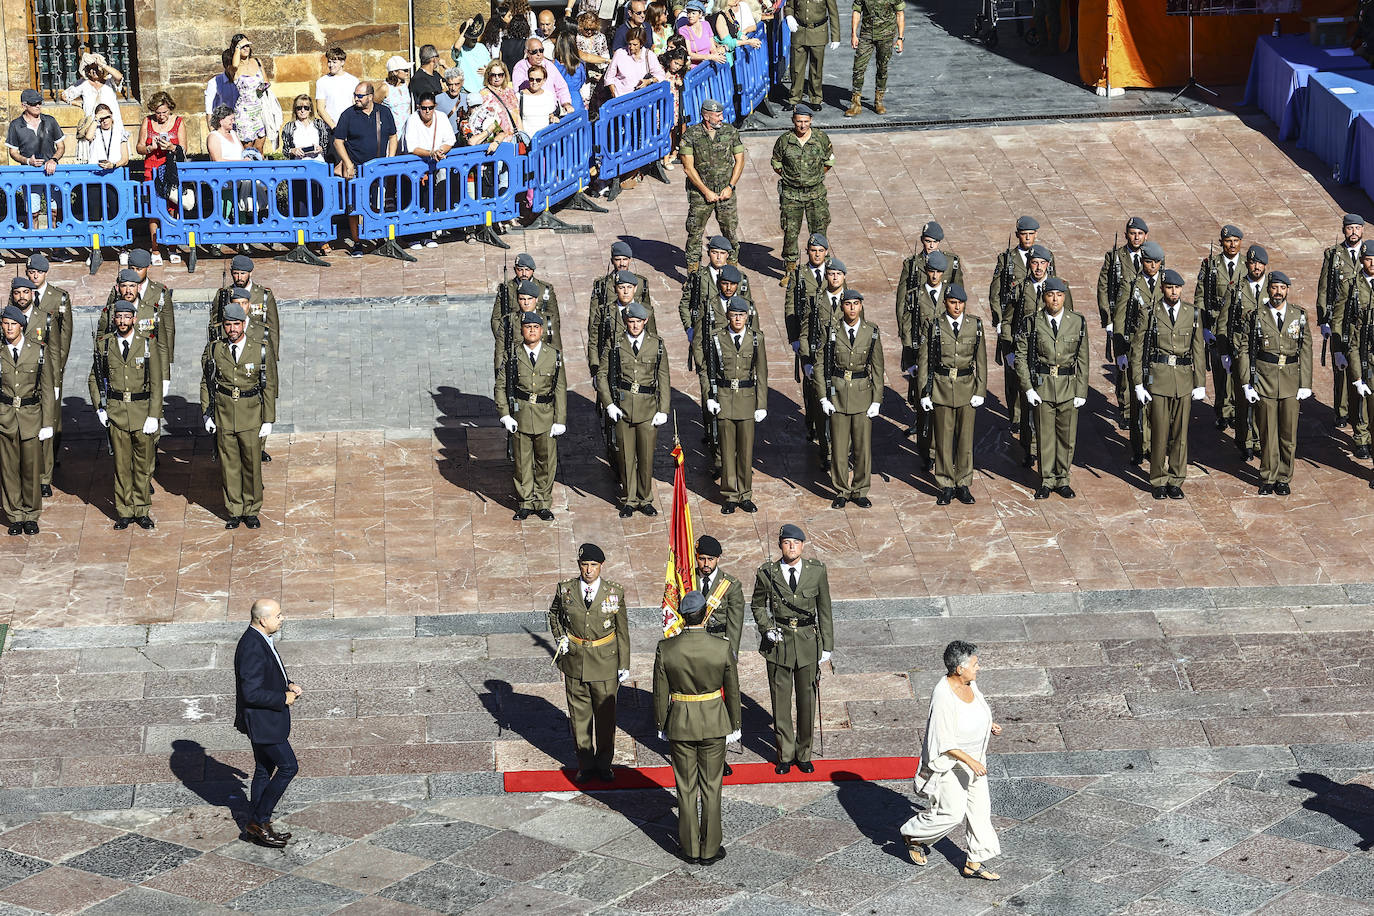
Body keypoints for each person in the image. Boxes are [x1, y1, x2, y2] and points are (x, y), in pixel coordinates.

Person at [901, 641, 1003, 881]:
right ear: (959, 668)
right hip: (953, 764)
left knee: (980, 810)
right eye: (975, 664)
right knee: (952, 814)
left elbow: (977, 710)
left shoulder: (970, 683)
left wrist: (989, 724)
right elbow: (943, 741)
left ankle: (974, 861)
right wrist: (971, 761)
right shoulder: (943, 696)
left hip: (975, 759)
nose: (979, 668)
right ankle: (913, 836)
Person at [653, 589, 741, 866]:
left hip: (680, 721)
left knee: (686, 786)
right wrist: (735, 724)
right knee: (712, 786)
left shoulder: (666, 648)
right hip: (715, 720)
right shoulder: (721, 646)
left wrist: (660, 723)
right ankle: (711, 848)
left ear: (682, 615)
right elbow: (733, 690)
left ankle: (690, 848)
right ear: (705, 614)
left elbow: (659, 692)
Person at [750, 524, 833, 774]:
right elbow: (757, 605)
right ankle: (785, 754)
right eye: (787, 543)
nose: (791, 547)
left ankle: (804, 752)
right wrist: (766, 628)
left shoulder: (816, 572)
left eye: (796, 543)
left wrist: (827, 645)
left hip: (808, 642)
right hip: (779, 644)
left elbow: (824, 609)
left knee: (807, 701)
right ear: (780, 546)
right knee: (781, 702)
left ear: (803, 545)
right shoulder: (767, 572)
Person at [548, 543, 629, 782]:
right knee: (579, 717)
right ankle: (585, 763)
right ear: (579, 566)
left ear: (601, 566)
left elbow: (622, 630)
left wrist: (624, 663)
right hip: (575, 662)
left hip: (604, 663)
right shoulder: (566, 590)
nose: (589, 570)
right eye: (584, 565)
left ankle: (604, 764)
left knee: (605, 719)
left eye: (593, 565)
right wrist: (560, 636)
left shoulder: (614, 592)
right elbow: (554, 614)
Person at [200, 300, 278, 529]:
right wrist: (207, 413)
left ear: (244, 324)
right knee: (229, 465)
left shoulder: (260, 349)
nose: (232, 329)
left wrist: (268, 419)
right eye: (227, 325)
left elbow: (269, 386)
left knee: (251, 465)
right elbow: (206, 382)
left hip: (251, 414)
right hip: (224, 414)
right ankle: (234, 509)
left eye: (236, 324)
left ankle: (252, 509)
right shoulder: (215, 349)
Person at [1130, 269, 1204, 500]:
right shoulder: (1150, 313)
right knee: (1160, 432)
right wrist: (1138, 383)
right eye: (1170, 287)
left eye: (1177, 288)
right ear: (1162, 288)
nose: (1174, 291)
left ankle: (1176, 479)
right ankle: (1158, 479)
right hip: (1158, 379)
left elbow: (1198, 349)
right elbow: (1138, 349)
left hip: (1183, 379)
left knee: (1180, 434)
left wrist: (1200, 382)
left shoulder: (1192, 314)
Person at [88, 298, 163, 530]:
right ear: (114, 319)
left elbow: (157, 383)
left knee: (143, 465)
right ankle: (124, 511)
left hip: (142, 413)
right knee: (121, 466)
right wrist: (99, 407)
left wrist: (154, 414)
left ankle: (141, 510)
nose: (122, 321)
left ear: (134, 319)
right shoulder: (104, 345)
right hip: (117, 413)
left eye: (126, 317)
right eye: (118, 317)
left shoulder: (148, 343)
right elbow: (94, 378)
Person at [233, 598, 302, 849]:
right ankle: (258, 822)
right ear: (263, 620)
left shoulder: (259, 639)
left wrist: (288, 684)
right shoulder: (251, 646)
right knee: (288, 767)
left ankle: (258, 825)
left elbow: (268, 673)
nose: (282, 618)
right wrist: (283, 698)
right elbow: (251, 692)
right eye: (278, 615)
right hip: (265, 722)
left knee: (264, 769)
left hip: (264, 722)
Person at [1238, 272, 1312, 496]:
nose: (1278, 292)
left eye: (1282, 288)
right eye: (1274, 288)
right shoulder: (1255, 316)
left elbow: (1306, 349)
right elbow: (1244, 349)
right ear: (1268, 290)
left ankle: (1284, 477)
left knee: (1288, 434)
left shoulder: (1298, 315)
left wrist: (1305, 383)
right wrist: (1246, 382)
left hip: (1290, 380)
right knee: (1267, 433)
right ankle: (1267, 477)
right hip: (1265, 379)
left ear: (1287, 290)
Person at [596, 300, 671, 516]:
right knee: (626, 457)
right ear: (625, 322)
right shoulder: (616, 344)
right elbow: (602, 375)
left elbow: (663, 377)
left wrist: (663, 409)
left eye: (639, 321)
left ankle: (645, 498)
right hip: (623, 407)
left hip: (648, 408)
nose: (635, 325)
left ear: (646, 321)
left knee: (646, 457)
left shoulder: (656, 344)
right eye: (631, 321)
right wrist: (609, 403)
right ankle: (629, 499)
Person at [1017, 277, 1088, 499]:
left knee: (1067, 437)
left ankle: (1063, 478)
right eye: (1050, 295)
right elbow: (1021, 357)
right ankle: (1047, 479)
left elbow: (1083, 358)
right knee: (1045, 436)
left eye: (1059, 295)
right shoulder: (1032, 322)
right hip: (1043, 386)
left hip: (1068, 386)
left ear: (1065, 297)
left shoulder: (1077, 321)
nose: (1055, 299)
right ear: (1044, 297)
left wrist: (1081, 391)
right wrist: (1028, 388)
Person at [918, 285, 987, 506]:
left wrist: (980, 390)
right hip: (941, 388)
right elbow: (925, 361)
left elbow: (981, 361)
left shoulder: (974, 325)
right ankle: (946, 484)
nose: (957, 307)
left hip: (967, 388)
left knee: (965, 440)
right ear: (945, 303)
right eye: (952, 302)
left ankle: (963, 482)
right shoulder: (935, 325)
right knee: (944, 441)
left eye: (960, 302)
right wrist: (924, 393)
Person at [497, 311, 568, 520]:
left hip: (546, 416)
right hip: (521, 415)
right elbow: (501, 385)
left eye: (535, 328)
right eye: (528, 327)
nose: (531, 331)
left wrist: (560, 419)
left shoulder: (553, 355)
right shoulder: (513, 355)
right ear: (522, 330)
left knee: (546, 462)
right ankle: (526, 502)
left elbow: (560, 389)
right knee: (522, 462)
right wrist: (505, 414)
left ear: (542, 331)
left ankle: (543, 502)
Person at [817, 290, 884, 509]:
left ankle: (860, 489)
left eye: (856, 304)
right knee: (838, 446)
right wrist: (823, 397)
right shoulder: (832, 330)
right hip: (838, 393)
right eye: (848, 304)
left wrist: (877, 400)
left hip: (863, 394)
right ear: (842, 307)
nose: (852, 308)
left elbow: (878, 366)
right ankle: (841, 490)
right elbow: (820, 364)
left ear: (861, 306)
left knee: (862, 447)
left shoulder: (871, 331)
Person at [701, 296, 767, 513]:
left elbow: (762, 373)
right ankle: (730, 495)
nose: (737, 319)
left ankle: (745, 494)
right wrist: (710, 397)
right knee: (727, 451)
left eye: (741, 315)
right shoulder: (716, 338)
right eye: (734, 315)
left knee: (746, 450)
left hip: (747, 399)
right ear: (728, 315)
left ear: (747, 317)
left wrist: (761, 405)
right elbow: (708, 370)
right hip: (724, 397)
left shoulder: (756, 338)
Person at [0, 302, 55, 536]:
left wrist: (47, 423)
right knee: (8, 470)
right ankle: (14, 514)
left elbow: (47, 389)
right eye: (5, 324)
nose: (9, 328)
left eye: (13, 324)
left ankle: (31, 514)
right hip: (5, 418)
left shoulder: (38, 350)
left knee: (31, 469)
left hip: (31, 417)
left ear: (22, 326)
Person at [100, 259, 175, 420]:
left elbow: (162, 343)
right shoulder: (111, 312)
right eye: (124, 286)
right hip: (120, 371)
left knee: (151, 420)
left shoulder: (151, 312)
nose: (128, 290)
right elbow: (102, 342)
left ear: (138, 287)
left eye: (132, 286)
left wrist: (165, 374)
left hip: (147, 369)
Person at [332, 82, 399, 255]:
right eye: (355, 95)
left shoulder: (383, 112)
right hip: (356, 168)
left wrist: (390, 160)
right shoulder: (348, 114)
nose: (356, 98)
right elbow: (338, 141)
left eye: (360, 96)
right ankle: (357, 242)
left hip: (377, 168)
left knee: (377, 204)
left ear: (370, 96)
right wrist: (348, 163)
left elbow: (393, 136)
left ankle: (380, 238)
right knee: (354, 206)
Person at [24, 255, 72, 491]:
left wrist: (58, 368)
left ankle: (48, 467)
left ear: (45, 273)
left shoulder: (58, 297)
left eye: (38, 272)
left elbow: (64, 336)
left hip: (51, 368)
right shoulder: (21, 297)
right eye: (31, 272)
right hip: (27, 370)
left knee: (52, 418)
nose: (34, 276)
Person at [680, 98, 744, 271]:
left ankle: (732, 269)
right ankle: (693, 273)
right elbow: (688, 168)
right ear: (706, 117)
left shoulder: (730, 132)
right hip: (700, 193)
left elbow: (739, 160)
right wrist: (705, 191)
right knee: (695, 232)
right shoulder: (691, 136)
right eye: (718, 115)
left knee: (730, 231)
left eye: (721, 114)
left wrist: (730, 187)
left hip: (726, 191)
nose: (721, 118)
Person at [1219, 244, 1269, 461]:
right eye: (1252, 263)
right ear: (1246, 264)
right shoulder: (1236, 289)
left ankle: (1258, 440)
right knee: (1243, 399)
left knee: (1262, 399)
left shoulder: (1273, 288)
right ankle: (1245, 441)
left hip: (1266, 353)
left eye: (1259, 263)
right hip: (1241, 350)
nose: (1256, 267)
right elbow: (1223, 322)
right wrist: (1225, 352)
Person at [771, 106, 834, 280]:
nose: (802, 125)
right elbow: (776, 164)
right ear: (793, 121)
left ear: (811, 121)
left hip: (816, 194)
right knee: (791, 232)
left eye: (806, 121)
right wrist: (793, 178)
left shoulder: (820, 138)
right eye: (799, 121)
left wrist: (813, 177)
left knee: (819, 231)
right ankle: (790, 270)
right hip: (791, 196)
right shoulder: (784, 141)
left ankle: (821, 269)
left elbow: (829, 161)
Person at [1196, 224, 1246, 432]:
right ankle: (1223, 411)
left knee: (1239, 369)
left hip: (1240, 327)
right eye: (1228, 241)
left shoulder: (1249, 264)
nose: (1232, 245)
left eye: (1235, 241)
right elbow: (1200, 296)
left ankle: (1236, 409)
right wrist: (1205, 326)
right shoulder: (1210, 265)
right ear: (1221, 243)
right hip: (1217, 325)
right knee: (1220, 371)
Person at [1096, 217, 1150, 411]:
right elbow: (1103, 288)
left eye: (1140, 234)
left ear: (1146, 236)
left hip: (1144, 318)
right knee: (1124, 361)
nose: (1136, 238)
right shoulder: (1114, 257)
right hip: (1122, 317)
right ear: (1126, 234)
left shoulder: (1151, 256)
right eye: (1132, 233)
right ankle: (1126, 407)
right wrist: (1108, 320)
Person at [897, 249, 946, 455]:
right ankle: (926, 449)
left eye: (938, 272)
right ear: (926, 271)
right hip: (920, 355)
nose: (934, 276)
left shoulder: (950, 296)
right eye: (931, 271)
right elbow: (907, 329)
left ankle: (939, 447)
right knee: (922, 402)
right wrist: (910, 360)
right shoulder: (914, 296)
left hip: (944, 357)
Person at [1318, 213, 1364, 430]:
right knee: (1341, 366)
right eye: (1349, 228)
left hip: (1364, 322)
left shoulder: (1370, 254)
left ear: (1363, 230)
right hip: (1340, 318)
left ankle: (1360, 412)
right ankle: (1342, 411)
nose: (1353, 232)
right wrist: (1323, 320)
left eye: (1357, 228)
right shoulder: (1334, 255)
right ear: (1343, 230)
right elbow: (1324, 287)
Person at [136, 92, 186, 265]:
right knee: (154, 209)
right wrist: (151, 147)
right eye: (158, 113)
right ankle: (155, 248)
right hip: (152, 168)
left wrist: (171, 146)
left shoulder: (178, 122)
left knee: (173, 206)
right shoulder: (148, 122)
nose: (162, 116)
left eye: (165, 112)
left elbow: (184, 149)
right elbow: (139, 147)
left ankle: (172, 246)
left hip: (171, 169)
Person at [6, 90, 65, 230]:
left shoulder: (50, 120)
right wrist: (28, 161)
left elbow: (61, 146)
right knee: (33, 213)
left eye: (40, 102)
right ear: (24, 105)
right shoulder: (15, 125)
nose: (38, 106)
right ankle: (35, 249)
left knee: (56, 212)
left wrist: (53, 160)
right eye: (34, 103)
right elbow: (13, 152)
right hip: (30, 175)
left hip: (53, 173)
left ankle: (58, 249)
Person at [61, 52, 124, 162]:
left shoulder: (110, 81)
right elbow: (64, 96)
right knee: (95, 154)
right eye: (91, 68)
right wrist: (80, 104)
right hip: (93, 127)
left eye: (96, 68)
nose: (94, 71)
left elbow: (119, 76)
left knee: (114, 154)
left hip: (111, 124)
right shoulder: (83, 84)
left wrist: (102, 65)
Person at [492, 253, 562, 351]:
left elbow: (554, 319)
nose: (524, 273)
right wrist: (503, 339)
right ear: (515, 269)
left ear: (533, 270)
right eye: (520, 270)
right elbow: (496, 319)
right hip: (515, 340)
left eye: (527, 270)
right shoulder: (506, 289)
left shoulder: (545, 289)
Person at [846, 0, 902, 115]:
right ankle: (855, 104)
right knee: (858, 68)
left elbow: (899, 13)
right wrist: (854, 34)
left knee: (882, 68)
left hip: (886, 35)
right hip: (866, 35)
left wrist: (900, 38)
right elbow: (857, 11)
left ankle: (879, 101)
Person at [695, 535, 746, 657]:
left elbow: (735, 624)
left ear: (718, 558)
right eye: (702, 559)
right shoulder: (687, 580)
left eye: (710, 559)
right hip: (692, 644)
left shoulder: (730, 585)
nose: (706, 564)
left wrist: (731, 654)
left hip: (717, 644)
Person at [786, 0, 839, 109]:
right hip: (799, 31)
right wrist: (789, 16)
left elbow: (833, 13)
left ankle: (816, 98)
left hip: (818, 32)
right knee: (796, 68)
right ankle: (794, 99)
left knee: (816, 68)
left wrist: (836, 37)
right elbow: (789, 6)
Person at [228, 34, 270, 153]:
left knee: (259, 147)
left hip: (259, 109)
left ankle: (261, 170)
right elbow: (235, 66)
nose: (246, 48)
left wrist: (257, 94)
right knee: (248, 149)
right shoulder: (233, 68)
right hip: (244, 112)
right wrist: (238, 48)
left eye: (247, 45)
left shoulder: (257, 61)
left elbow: (266, 82)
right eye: (242, 47)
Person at [515, 39, 575, 113]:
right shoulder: (520, 67)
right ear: (527, 53)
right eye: (534, 52)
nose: (539, 54)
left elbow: (561, 87)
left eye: (541, 50)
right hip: (532, 112)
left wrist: (566, 103)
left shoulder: (549, 65)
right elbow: (519, 91)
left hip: (553, 111)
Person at [603, 30, 667, 98]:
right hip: (621, 98)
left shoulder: (649, 55)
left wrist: (649, 81)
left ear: (641, 44)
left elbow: (660, 75)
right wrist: (614, 95)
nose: (631, 47)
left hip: (641, 99)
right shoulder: (620, 53)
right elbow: (609, 77)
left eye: (635, 45)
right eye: (629, 44)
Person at [315, 47, 359, 133]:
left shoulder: (353, 81)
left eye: (334, 62)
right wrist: (333, 127)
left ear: (342, 62)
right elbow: (320, 108)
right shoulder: (322, 82)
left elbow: (356, 104)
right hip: (331, 129)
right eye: (329, 62)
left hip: (351, 128)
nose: (331, 65)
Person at [378, 56, 415, 148]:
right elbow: (374, 106)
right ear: (394, 72)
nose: (407, 72)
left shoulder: (405, 85)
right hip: (391, 132)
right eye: (404, 70)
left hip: (406, 129)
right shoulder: (384, 88)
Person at [680, 1, 728, 68]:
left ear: (700, 14)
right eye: (688, 13)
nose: (690, 16)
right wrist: (709, 57)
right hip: (696, 68)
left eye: (693, 13)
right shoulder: (683, 30)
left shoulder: (706, 24)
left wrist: (716, 55)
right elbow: (690, 54)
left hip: (710, 65)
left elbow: (712, 47)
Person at [204, 49, 240, 138]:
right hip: (224, 126)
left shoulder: (244, 81)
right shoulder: (214, 83)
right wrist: (213, 133)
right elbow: (209, 110)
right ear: (227, 66)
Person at [715, 0, 764, 65]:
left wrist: (742, 36)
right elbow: (728, 43)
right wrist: (748, 42)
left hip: (734, 58)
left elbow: (735, 31)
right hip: (726, 62)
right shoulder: (719, 17)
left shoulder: (729, 12)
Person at [519, 65, 561, 136]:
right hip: (526, 140)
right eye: (531, 79)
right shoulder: (519, 96)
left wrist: (553, 118)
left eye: (538, 80)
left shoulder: (548, 95)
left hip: (544, 139)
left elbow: (550, 114)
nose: (534, 82)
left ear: (544, 80)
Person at [551, 29, 588, 109]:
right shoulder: (580, 64)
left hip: (559, 101)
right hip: (577, 101)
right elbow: (582, 82)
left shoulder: (553, 65)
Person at [576, 11, 613, 88]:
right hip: (581, 76)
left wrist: (602, 75)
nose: (589, 32)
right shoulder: (577, 38)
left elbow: (605, 55)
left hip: (597, 76)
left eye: (592, 29)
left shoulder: (601, 37)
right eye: (586, 29)